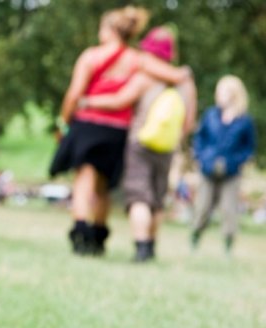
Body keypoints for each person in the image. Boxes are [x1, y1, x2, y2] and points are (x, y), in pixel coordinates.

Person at [49, 6, 191, 255]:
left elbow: (74, 94)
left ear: (110, 30)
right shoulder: (138, 60)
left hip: (88, 124)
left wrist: (63, 122)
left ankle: (81, 232)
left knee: (84, 180)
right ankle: (99, 234)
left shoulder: (91, 56)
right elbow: (178, 74)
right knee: (103, 185)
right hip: (117, 131)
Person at [80, 26, 198, 262]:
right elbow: (189, 124)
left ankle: (142, 246)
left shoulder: (144, 78)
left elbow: (118, 100)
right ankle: (152, 246)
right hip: (167, 147)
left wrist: (88, 101)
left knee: (138, 197)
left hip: (140, 144)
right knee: (156, 198)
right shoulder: (185, 83)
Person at [190, 75, 256, 253]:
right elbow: (199, 139)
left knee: (229, 210)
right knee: (202, 207)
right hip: (207, 168)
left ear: (234, 94)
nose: (219, 95)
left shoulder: (244, 121)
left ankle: (228, 246)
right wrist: (201, 157)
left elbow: (249, 148)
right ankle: (195, 238)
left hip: (231, 171)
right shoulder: (211, 115)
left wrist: (236, 162)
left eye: (224, 91)